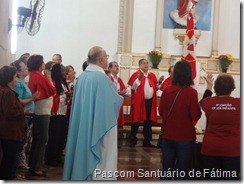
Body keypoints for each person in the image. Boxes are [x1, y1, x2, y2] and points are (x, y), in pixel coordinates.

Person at [63, 46, 123, 180]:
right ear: (101, 59)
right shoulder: (102, 79)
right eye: (106, 57)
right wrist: (121, 98)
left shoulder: (82, 77)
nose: (107, 60)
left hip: (83, 125)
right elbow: (113, 102)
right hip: (99, 127)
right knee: (102, 156)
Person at [158, 60, 201, 180]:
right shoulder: (191, 93)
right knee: (181, 171)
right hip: (185, 137)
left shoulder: (167, 91)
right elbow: (195, 116)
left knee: (166, 170)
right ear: (189, 74)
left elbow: (161, 111)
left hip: (168, 135)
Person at [200, 74, 240, 180]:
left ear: (216, 87)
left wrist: (209, 86)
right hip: (233, 150)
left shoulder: (208, 102)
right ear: (232, 88)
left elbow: (204, 100)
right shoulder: (239, 103)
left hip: (211, 149)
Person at [27, 55, 56, 177]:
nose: (44, 64)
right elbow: (51, 90)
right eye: (43, 62)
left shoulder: (34, 75)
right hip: (42, 111)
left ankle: (33, 165)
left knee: (38, 139)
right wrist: (49, 78)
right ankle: (37, 167)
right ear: (39, 64)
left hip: (40, 110)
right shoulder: (38, 76)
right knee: (42, 139)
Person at [11, 60, 40, 172]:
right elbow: (18, 100)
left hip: (28, 116)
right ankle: (17, 169)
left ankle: (18, 167)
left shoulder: (22, 82)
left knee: (24, 143)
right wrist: (32, 98)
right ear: (18, 71)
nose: (27, 68)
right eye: (24, 67)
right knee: (21, 145)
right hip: (23, 116)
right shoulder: (18, 83)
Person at [0, 66, 25, 180]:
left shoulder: (6, 91)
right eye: (15, 77)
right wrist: (22, 111)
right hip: (10, 131)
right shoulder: (8, 93)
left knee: (9, 158)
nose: (17, 79)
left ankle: (10, 176)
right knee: (9, 159)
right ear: (9, 78)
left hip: (9, 131)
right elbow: (9, 112)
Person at [127, 59, 160, 148]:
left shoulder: (152, 75)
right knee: (136, 120)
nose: (146, 65)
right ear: (139, 65)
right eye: (143, 63)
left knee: (148, 122)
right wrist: (139, 79)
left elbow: (155, 88)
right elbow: (133, 88)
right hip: (139, 101)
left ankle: (147, 140)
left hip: (149, 101)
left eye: (147, 63)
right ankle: (132, 139)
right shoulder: (136, 75)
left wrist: (159, 83)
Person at [45, 63, 70, 167]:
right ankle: (51, 158)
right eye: (63, 70)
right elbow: (53, 98)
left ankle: (58, 156)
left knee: (61, 137)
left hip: (63, 113)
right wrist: (65, 95)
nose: (66, 72)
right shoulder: (53, 82)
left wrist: (68, 96)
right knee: (54, 137)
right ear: (58, 72)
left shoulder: (64, 83)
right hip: (55, 114)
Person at [108, 61, 127, 128]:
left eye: (117, 66)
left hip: (118, 103)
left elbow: (124, 89)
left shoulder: (119, 79)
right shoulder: (108, 78)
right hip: (111, 103)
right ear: (110, 69)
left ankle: (118, 134)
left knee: (118, 121)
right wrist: (119, 92)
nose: (117, 67)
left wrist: (123, 91)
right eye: (115, 66)